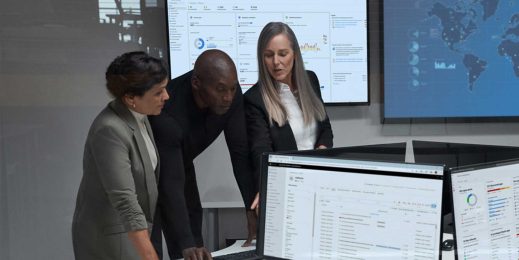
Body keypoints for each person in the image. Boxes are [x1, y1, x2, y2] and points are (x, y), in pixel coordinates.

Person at [149, 49, 257, 260]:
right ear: (196, 83)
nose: (228, 97)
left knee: (196, 245)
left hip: (183, 164)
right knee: (154, 249)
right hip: (149, 176)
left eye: (233, 89)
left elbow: (240, 153)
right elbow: (170, 183)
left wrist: (249, 210)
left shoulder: (232, 98)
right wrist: (186, 244)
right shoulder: (168, 112)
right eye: (220, 89)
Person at [72, 51, 170, 260]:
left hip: (131, 232)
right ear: (131, 98)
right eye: (158, 92)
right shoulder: (110, 130)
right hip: (112, 239)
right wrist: (150, 255)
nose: (166, 97)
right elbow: (125, 200)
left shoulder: (139, 116)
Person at [244, 22, 334, 195]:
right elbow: (261, 151)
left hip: (319, 179)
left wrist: (322, 151)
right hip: (287, 186)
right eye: (269, 55)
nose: (276, 62)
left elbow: (325, 128)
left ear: (295, 54)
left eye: (283, 54)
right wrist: (264, 188)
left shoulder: (311, 80)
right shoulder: (255, 99)